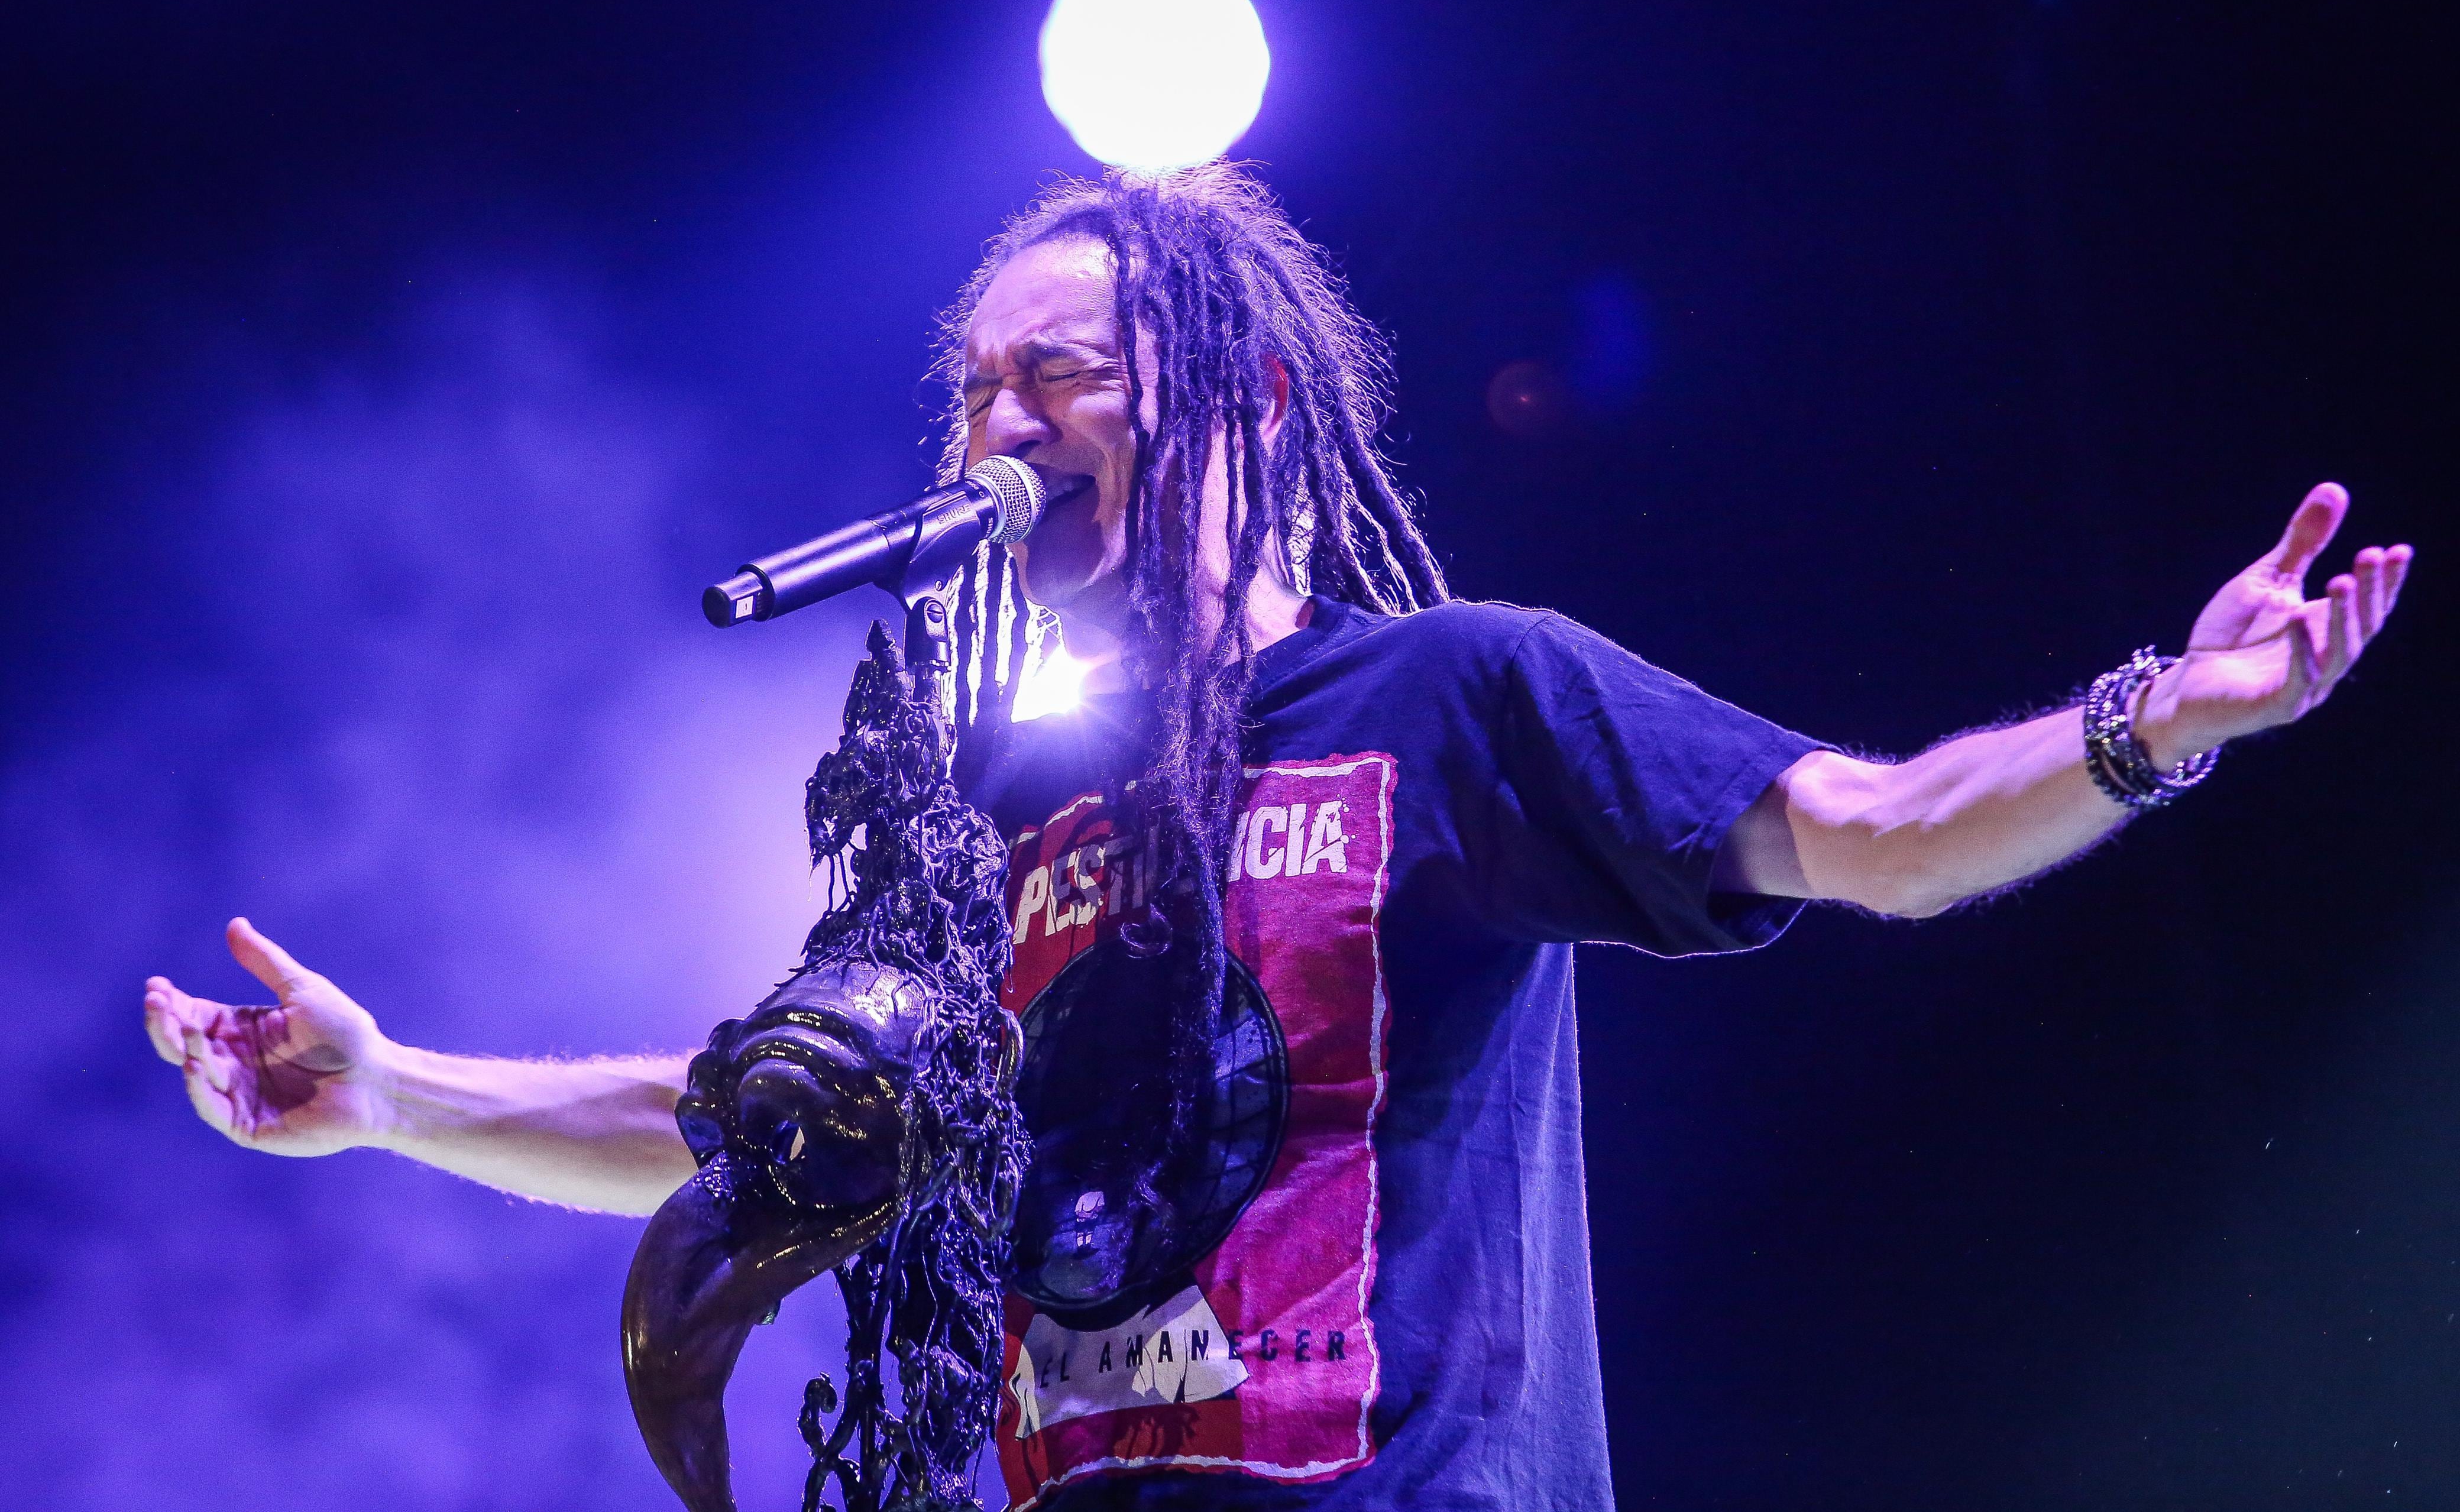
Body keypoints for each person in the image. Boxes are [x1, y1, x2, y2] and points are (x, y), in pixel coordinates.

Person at [143, 166, 2412, 1511]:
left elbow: (1880, 828)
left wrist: (2159, 719)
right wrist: (396, 1099)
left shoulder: (1455, 691)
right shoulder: (1003, 818)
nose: (1001, 427)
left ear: (1231, 398)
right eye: (973, 391)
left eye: (1062, 380)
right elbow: (757, 1123)